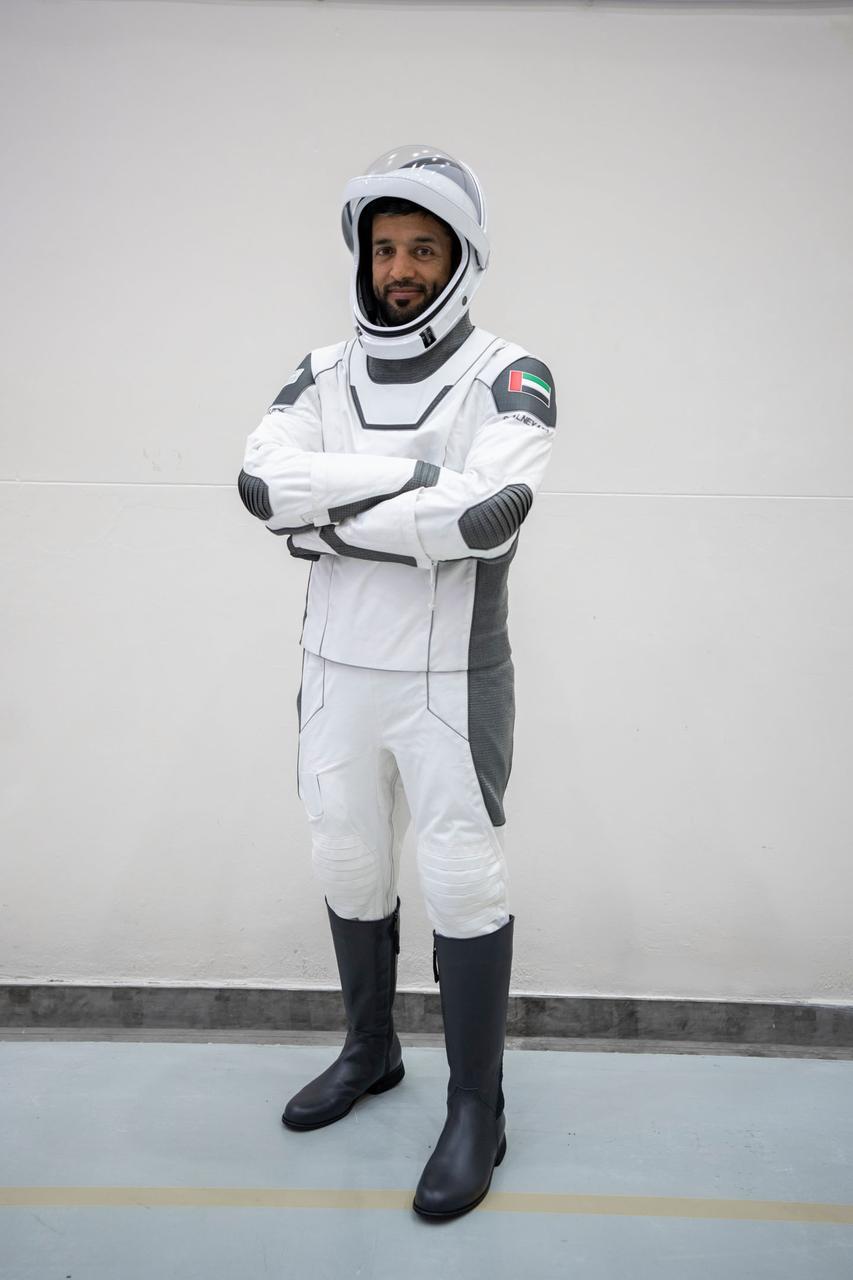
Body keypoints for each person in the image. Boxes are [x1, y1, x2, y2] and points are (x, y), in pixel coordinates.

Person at [238, 145, 556, 1219]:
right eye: (386, 248)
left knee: (464, 878)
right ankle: (370, 1050)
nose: (401, 268)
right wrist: (417, 481)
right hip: (334, 673)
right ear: (364, 259)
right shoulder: (319, 370)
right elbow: (258, 483)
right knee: (346, 859)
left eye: (423, 248)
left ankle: (478, 1104)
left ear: (460, 258)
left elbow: (484, 516)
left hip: (447, 679)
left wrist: (330, 517)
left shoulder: (511, 372)